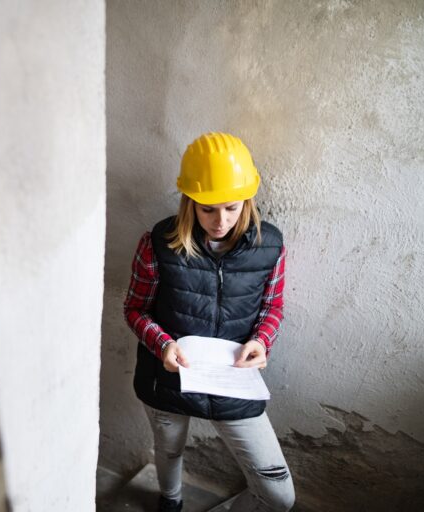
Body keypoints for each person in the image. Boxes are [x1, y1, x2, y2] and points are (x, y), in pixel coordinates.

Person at [123, 132, 295, 512]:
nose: (221, 221)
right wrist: (163, 345)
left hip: (233, 381)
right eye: (208, 209)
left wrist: (262, 342)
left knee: (280, 496)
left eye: (232, 208)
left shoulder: (271, 245)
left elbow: (272, 308)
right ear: (190, 202)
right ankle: (171, 502)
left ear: (247, 201)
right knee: (169, 451)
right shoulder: (158, 242)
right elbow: (135, 309)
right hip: (166, 375)